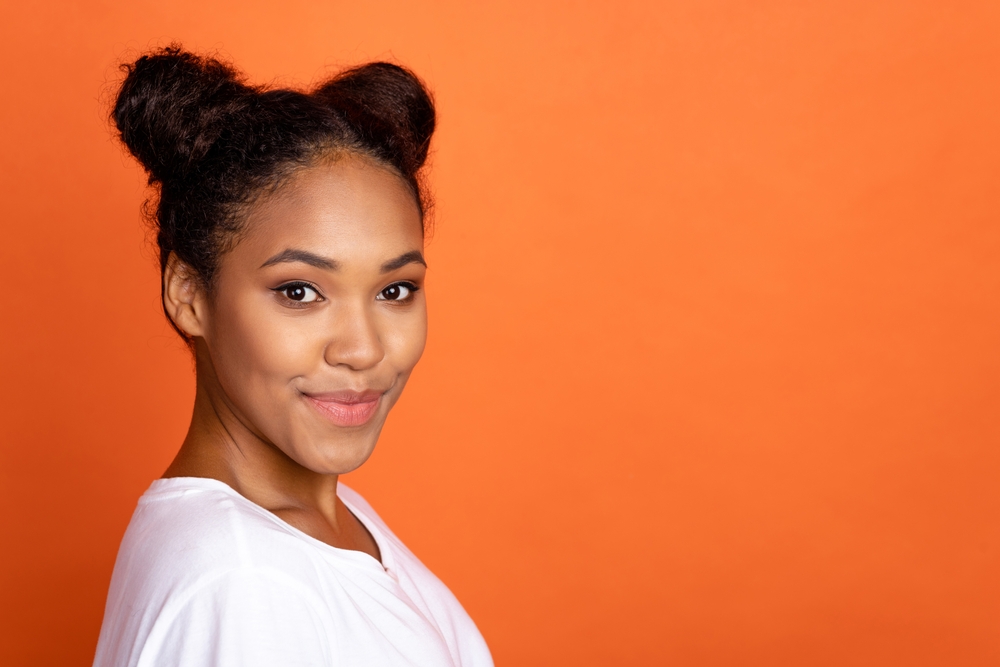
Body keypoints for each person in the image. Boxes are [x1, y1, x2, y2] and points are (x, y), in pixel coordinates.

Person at [92, 46, 493, 667]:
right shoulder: (248, 584)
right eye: (299, 292)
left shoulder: (321, 520)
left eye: (395, 290)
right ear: (189, 294)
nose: (362, 349)